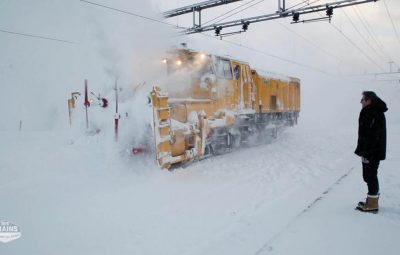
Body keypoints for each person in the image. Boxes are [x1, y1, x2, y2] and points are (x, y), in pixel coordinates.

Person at [355, 91, 388, 213]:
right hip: (371, 151)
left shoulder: (372, 113)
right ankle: (371, 199)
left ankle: (373, 204)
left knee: (370, 176)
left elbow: (372, 136)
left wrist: (367, 152)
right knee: (369, 176)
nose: (361, 101)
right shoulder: (372, 111)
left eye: (362, 99)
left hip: (371, 152)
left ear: (369, 100)